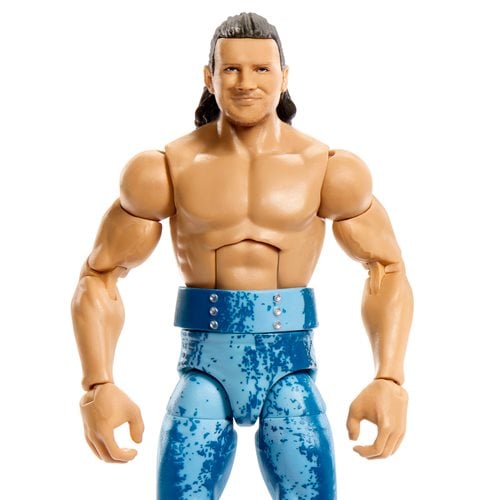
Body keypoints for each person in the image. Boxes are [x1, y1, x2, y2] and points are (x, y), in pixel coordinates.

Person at [72, 12, 413, 500]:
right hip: (202, 365)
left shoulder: (328, 169)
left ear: (284, 76)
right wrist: (98, 385)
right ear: (208, 77)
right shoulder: (165, 169)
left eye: (261, 69)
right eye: (231, 69)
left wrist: (390, 378)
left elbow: (387, 266)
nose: (246, 82)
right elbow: (100, 275)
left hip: (290, 364)